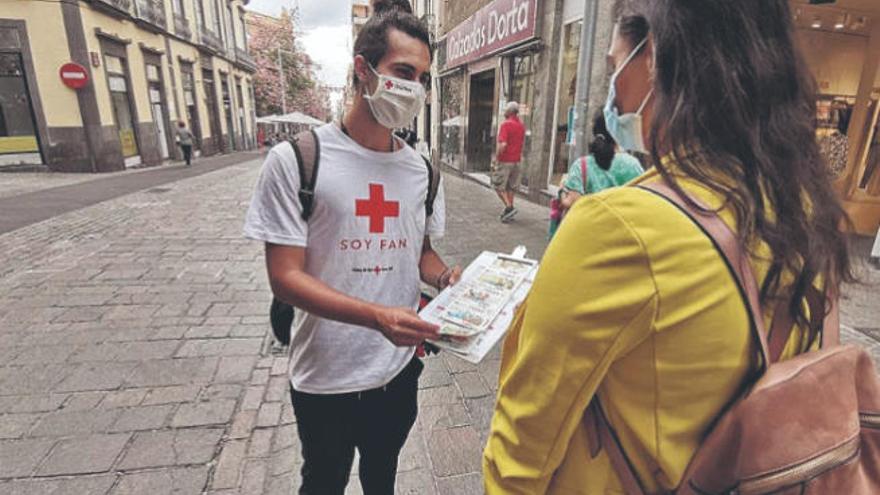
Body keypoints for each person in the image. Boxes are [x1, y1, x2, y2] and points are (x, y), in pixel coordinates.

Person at [483, 3, 853, 493]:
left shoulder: (618, 227)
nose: (611, 90)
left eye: (614, 67)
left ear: (654, 56)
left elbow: (519, 454)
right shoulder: (806, 213)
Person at [244, 3, 461, 494]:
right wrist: (377, 317)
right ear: (363, 70)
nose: (414, 88)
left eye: (423, 77)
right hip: (326, 375)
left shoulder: (421, 170)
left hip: (397, 369)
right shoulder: (297, 160)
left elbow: (419, 252)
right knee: (322, 481)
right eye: (402, 72)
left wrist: (448, 278)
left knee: (382, 476)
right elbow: (285, 277)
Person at [559, 112, 644, 212]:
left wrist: (562, 189)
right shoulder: (633, 165)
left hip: (589, 226)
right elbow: (643, 202)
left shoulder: (581, 166)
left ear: (595, 132)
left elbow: (570, 203)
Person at [493, 101, 527, 223]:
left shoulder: (506, 125)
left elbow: (503, 144)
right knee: (511, 188)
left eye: (505, 110)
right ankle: (509, 214)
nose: (504, 112)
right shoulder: (521, 126)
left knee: (497, 185)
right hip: (517, 161)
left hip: (505, 160)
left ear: (509, 112)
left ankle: (509, 207)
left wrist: (496, 157)